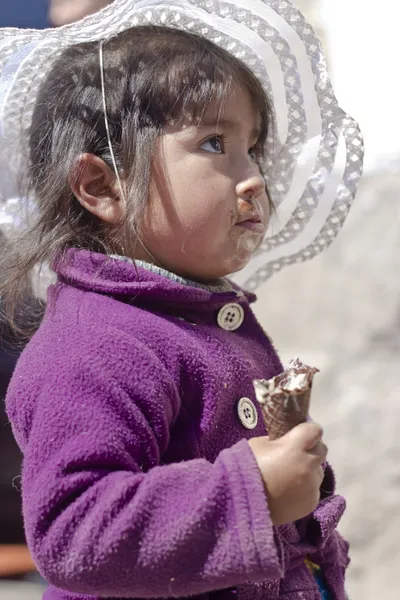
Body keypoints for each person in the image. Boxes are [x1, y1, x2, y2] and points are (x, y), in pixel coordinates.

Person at [0, 1, 363, 599]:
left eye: (254, 148)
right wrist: (252, 491)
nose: (252, 179)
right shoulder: (95, 345)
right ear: (101, 186)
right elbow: (73, 530)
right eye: (216, 143)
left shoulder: (195, 316)